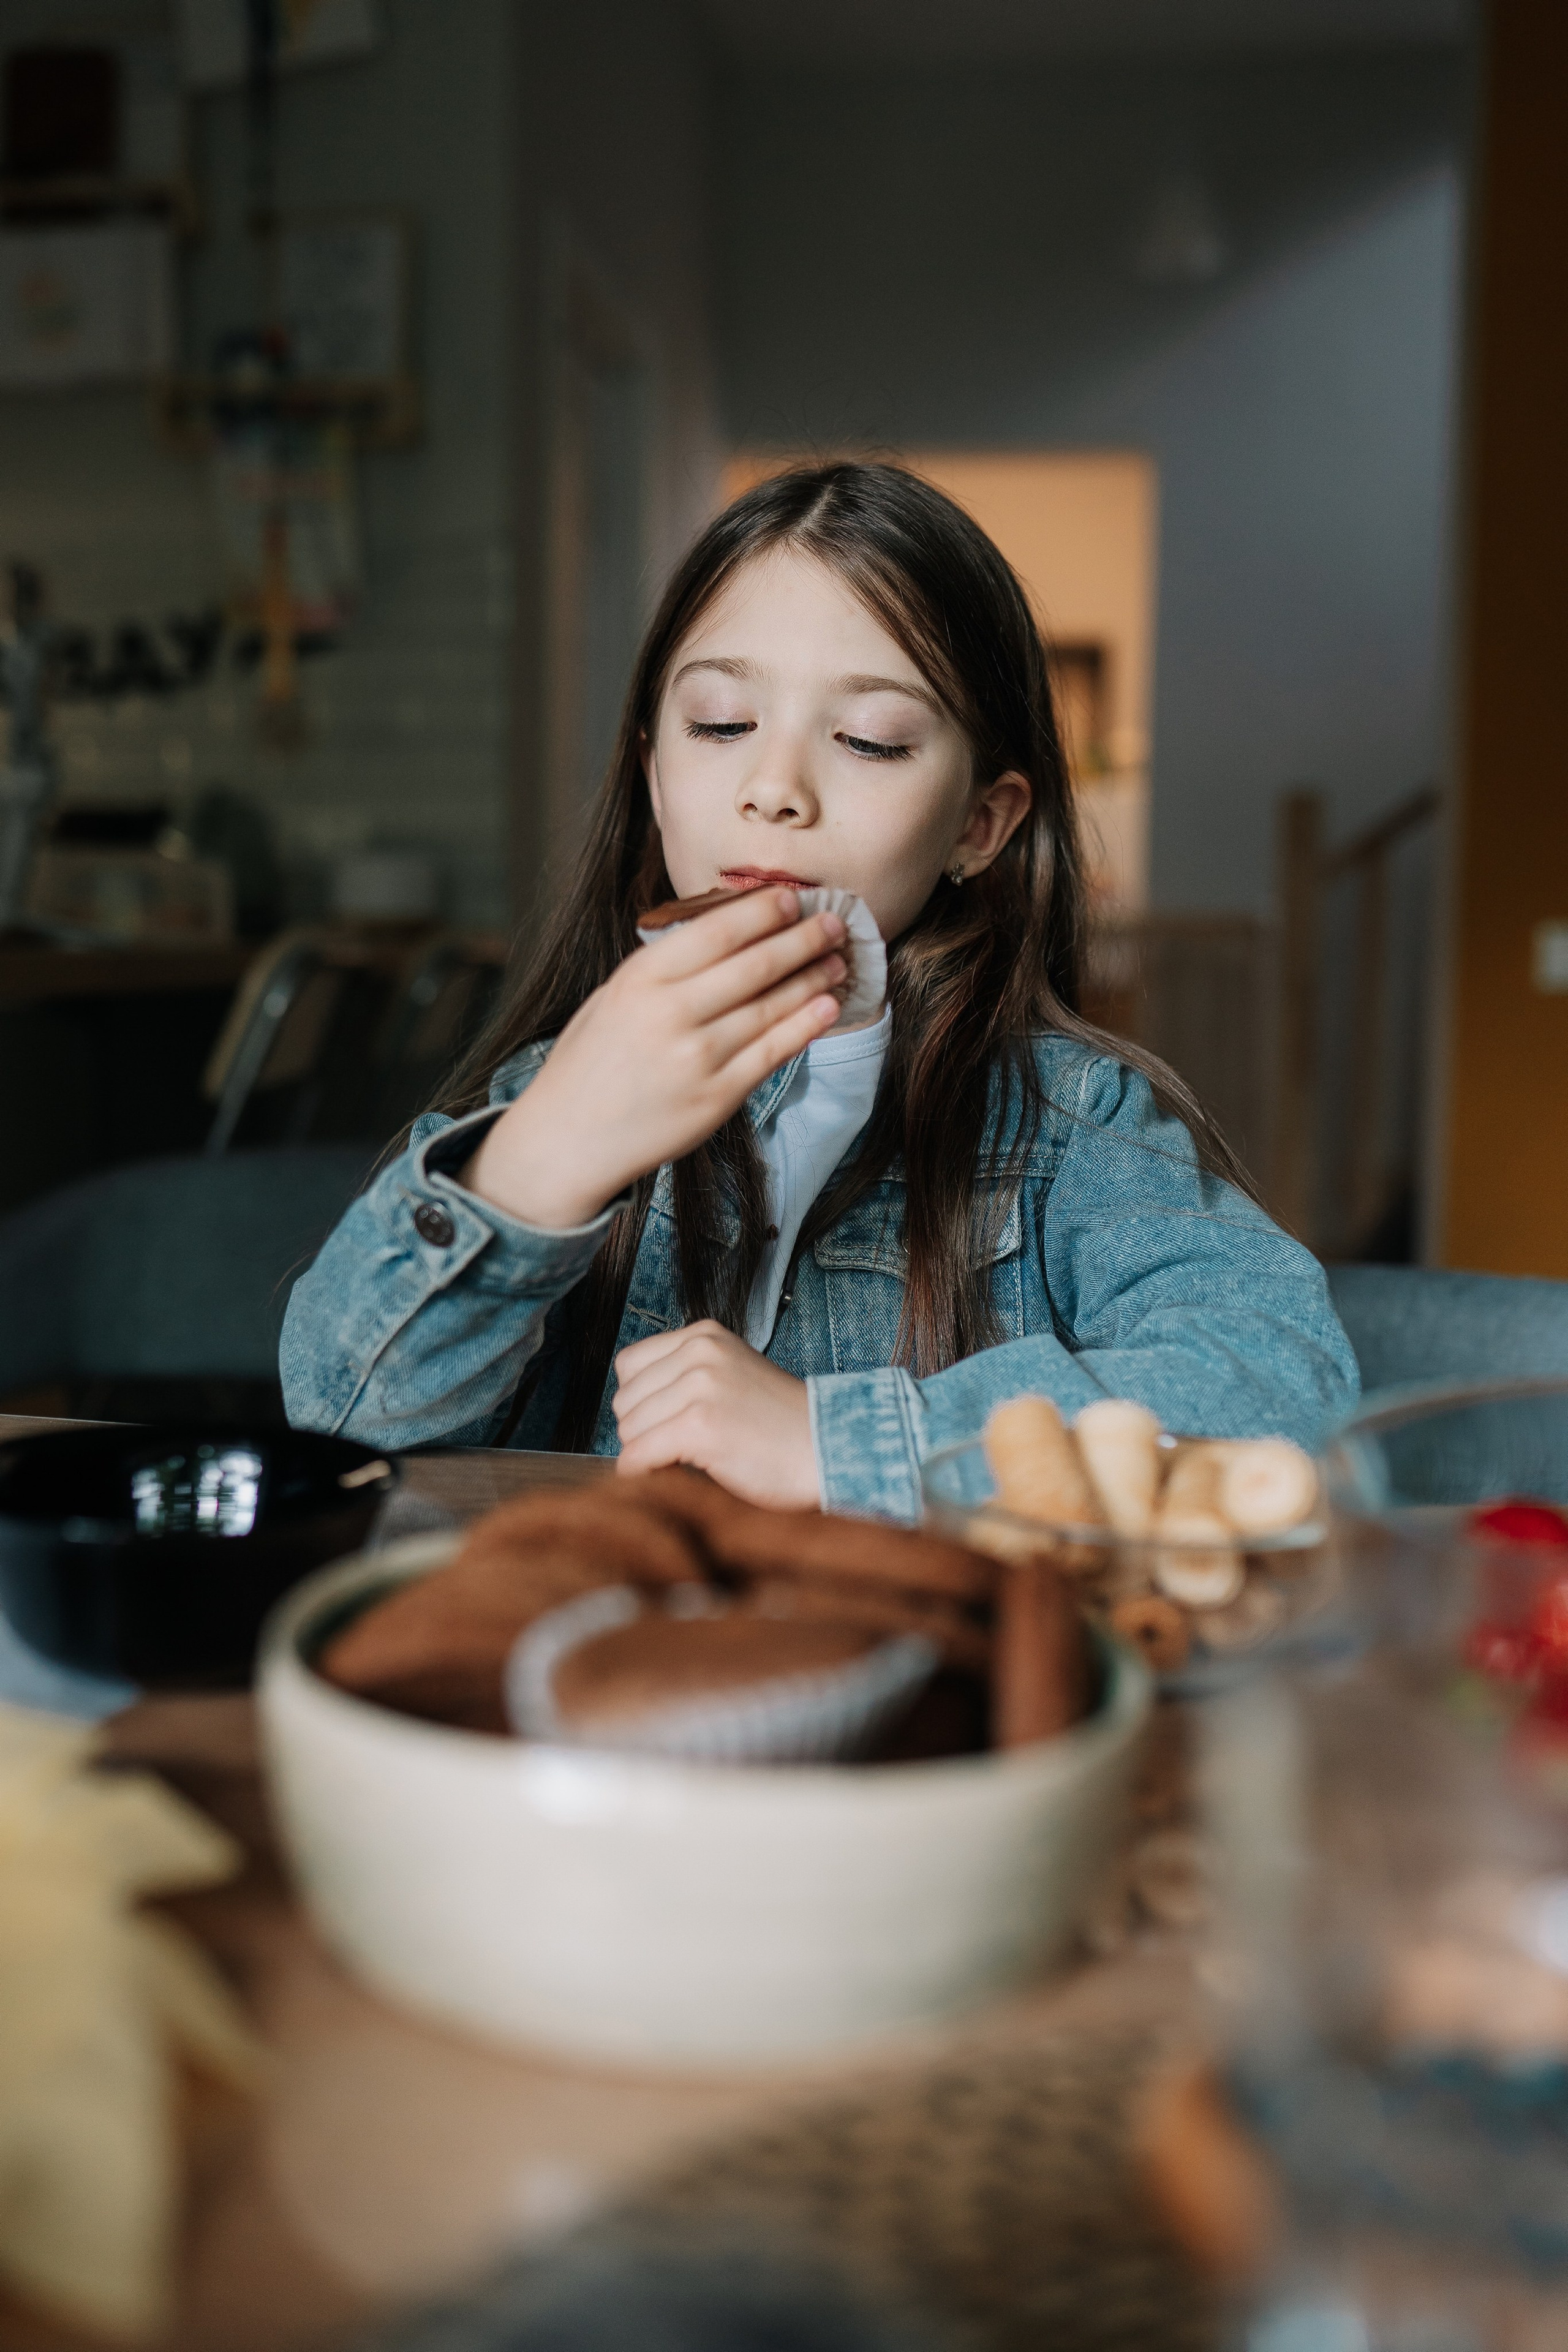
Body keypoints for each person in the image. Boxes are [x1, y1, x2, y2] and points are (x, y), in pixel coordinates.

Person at [282, 463, 1356, 1517]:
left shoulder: (1072, 1125)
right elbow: (338, 1423)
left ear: (980, 825)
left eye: (869, 741)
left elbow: (1286, 1391)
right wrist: (536, 1164)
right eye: (720, 725)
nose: (775, 789)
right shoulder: (551, 1093)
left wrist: (839, 1444)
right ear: (654, 776)